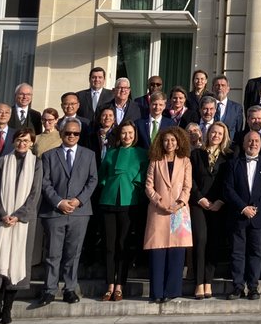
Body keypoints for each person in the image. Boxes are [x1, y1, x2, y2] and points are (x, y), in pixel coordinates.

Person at [0, 127, 41, 324]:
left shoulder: (36, 164)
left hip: (22, 223)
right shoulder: (2, 161)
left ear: (32, 142)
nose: (22, 143)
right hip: (2, 220)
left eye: (26, 140)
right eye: (19, 140)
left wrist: (18, 215)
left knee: (16, 263)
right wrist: (2, 214)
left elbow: (35, 193)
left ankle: (7, 310)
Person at [38, 117, 98, 306]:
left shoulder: (88, 155)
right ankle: (49, 289)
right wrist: (58, 202)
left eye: (76, 133)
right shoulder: (49, 155)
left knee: (73, 252)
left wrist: (78, 200)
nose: (72, 136)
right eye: (68, 133)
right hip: (55, 211)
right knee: (53, 252)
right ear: (61, 133)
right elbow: (45, 182)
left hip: (79, 212)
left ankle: (69, 288)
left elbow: (92, 180)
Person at [97, 121, 147, 302]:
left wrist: (133, 183)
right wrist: (109, 184)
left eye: (130, 133)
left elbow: (144, 175)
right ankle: (109, 283)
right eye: (124, 133)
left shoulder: (141, 153)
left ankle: (120, 284)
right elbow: (102, 175)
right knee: (110, 246)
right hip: (109, 200)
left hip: (130, 201)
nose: (127, 136)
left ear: (135, 135)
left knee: (123, 244)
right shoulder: (111, 153)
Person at [224, 129, 261, 301]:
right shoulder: (233, 164)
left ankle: (253, 287)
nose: (253, 144)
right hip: (238, 215)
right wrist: (243, 208)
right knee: (237, 253)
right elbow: (228, 189)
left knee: (256, 252)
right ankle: (237, 287)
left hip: (258, 216)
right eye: (250, 141)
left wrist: (255, 207)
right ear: (244, 143)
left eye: (256, 141)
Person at [143, 126, 193, 303]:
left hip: (179, 211)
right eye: (166, 140)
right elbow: (148, 186)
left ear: (178, 143)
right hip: (158, 210)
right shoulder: (155, 161)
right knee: (157, 252)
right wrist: (160, 201)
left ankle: (171, 291)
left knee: (177, 252)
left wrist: (180, 203)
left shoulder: (185, 161)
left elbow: (187, 186)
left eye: (173, 140)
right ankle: (157, 292)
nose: (169, 143)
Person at [189, 121, 232, 299]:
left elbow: (229, 181)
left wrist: (220, 201)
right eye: (213, 132)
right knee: (200, 240)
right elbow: (190, 179)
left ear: (224, 137)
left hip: (218, 205)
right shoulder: (197, 154)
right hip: (199, 203)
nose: (216, 136)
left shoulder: (228, 156)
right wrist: (200, 198)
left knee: (213, 242)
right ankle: (199, 282)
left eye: (220, 134)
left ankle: (208, 281)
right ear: (208, 134)